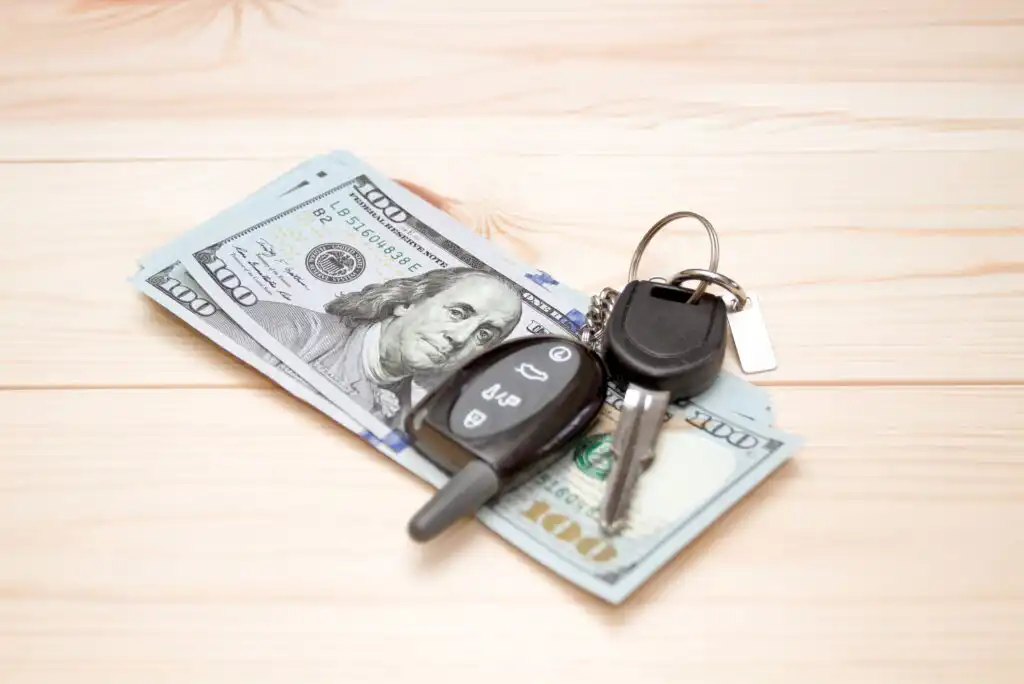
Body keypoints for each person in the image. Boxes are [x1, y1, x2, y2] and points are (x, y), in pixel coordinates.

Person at [245, 267, 523, 430]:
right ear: (407, 303)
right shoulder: (288, 327)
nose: (460, 338)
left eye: (484, 334)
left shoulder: (401, 421)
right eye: (457, 313)